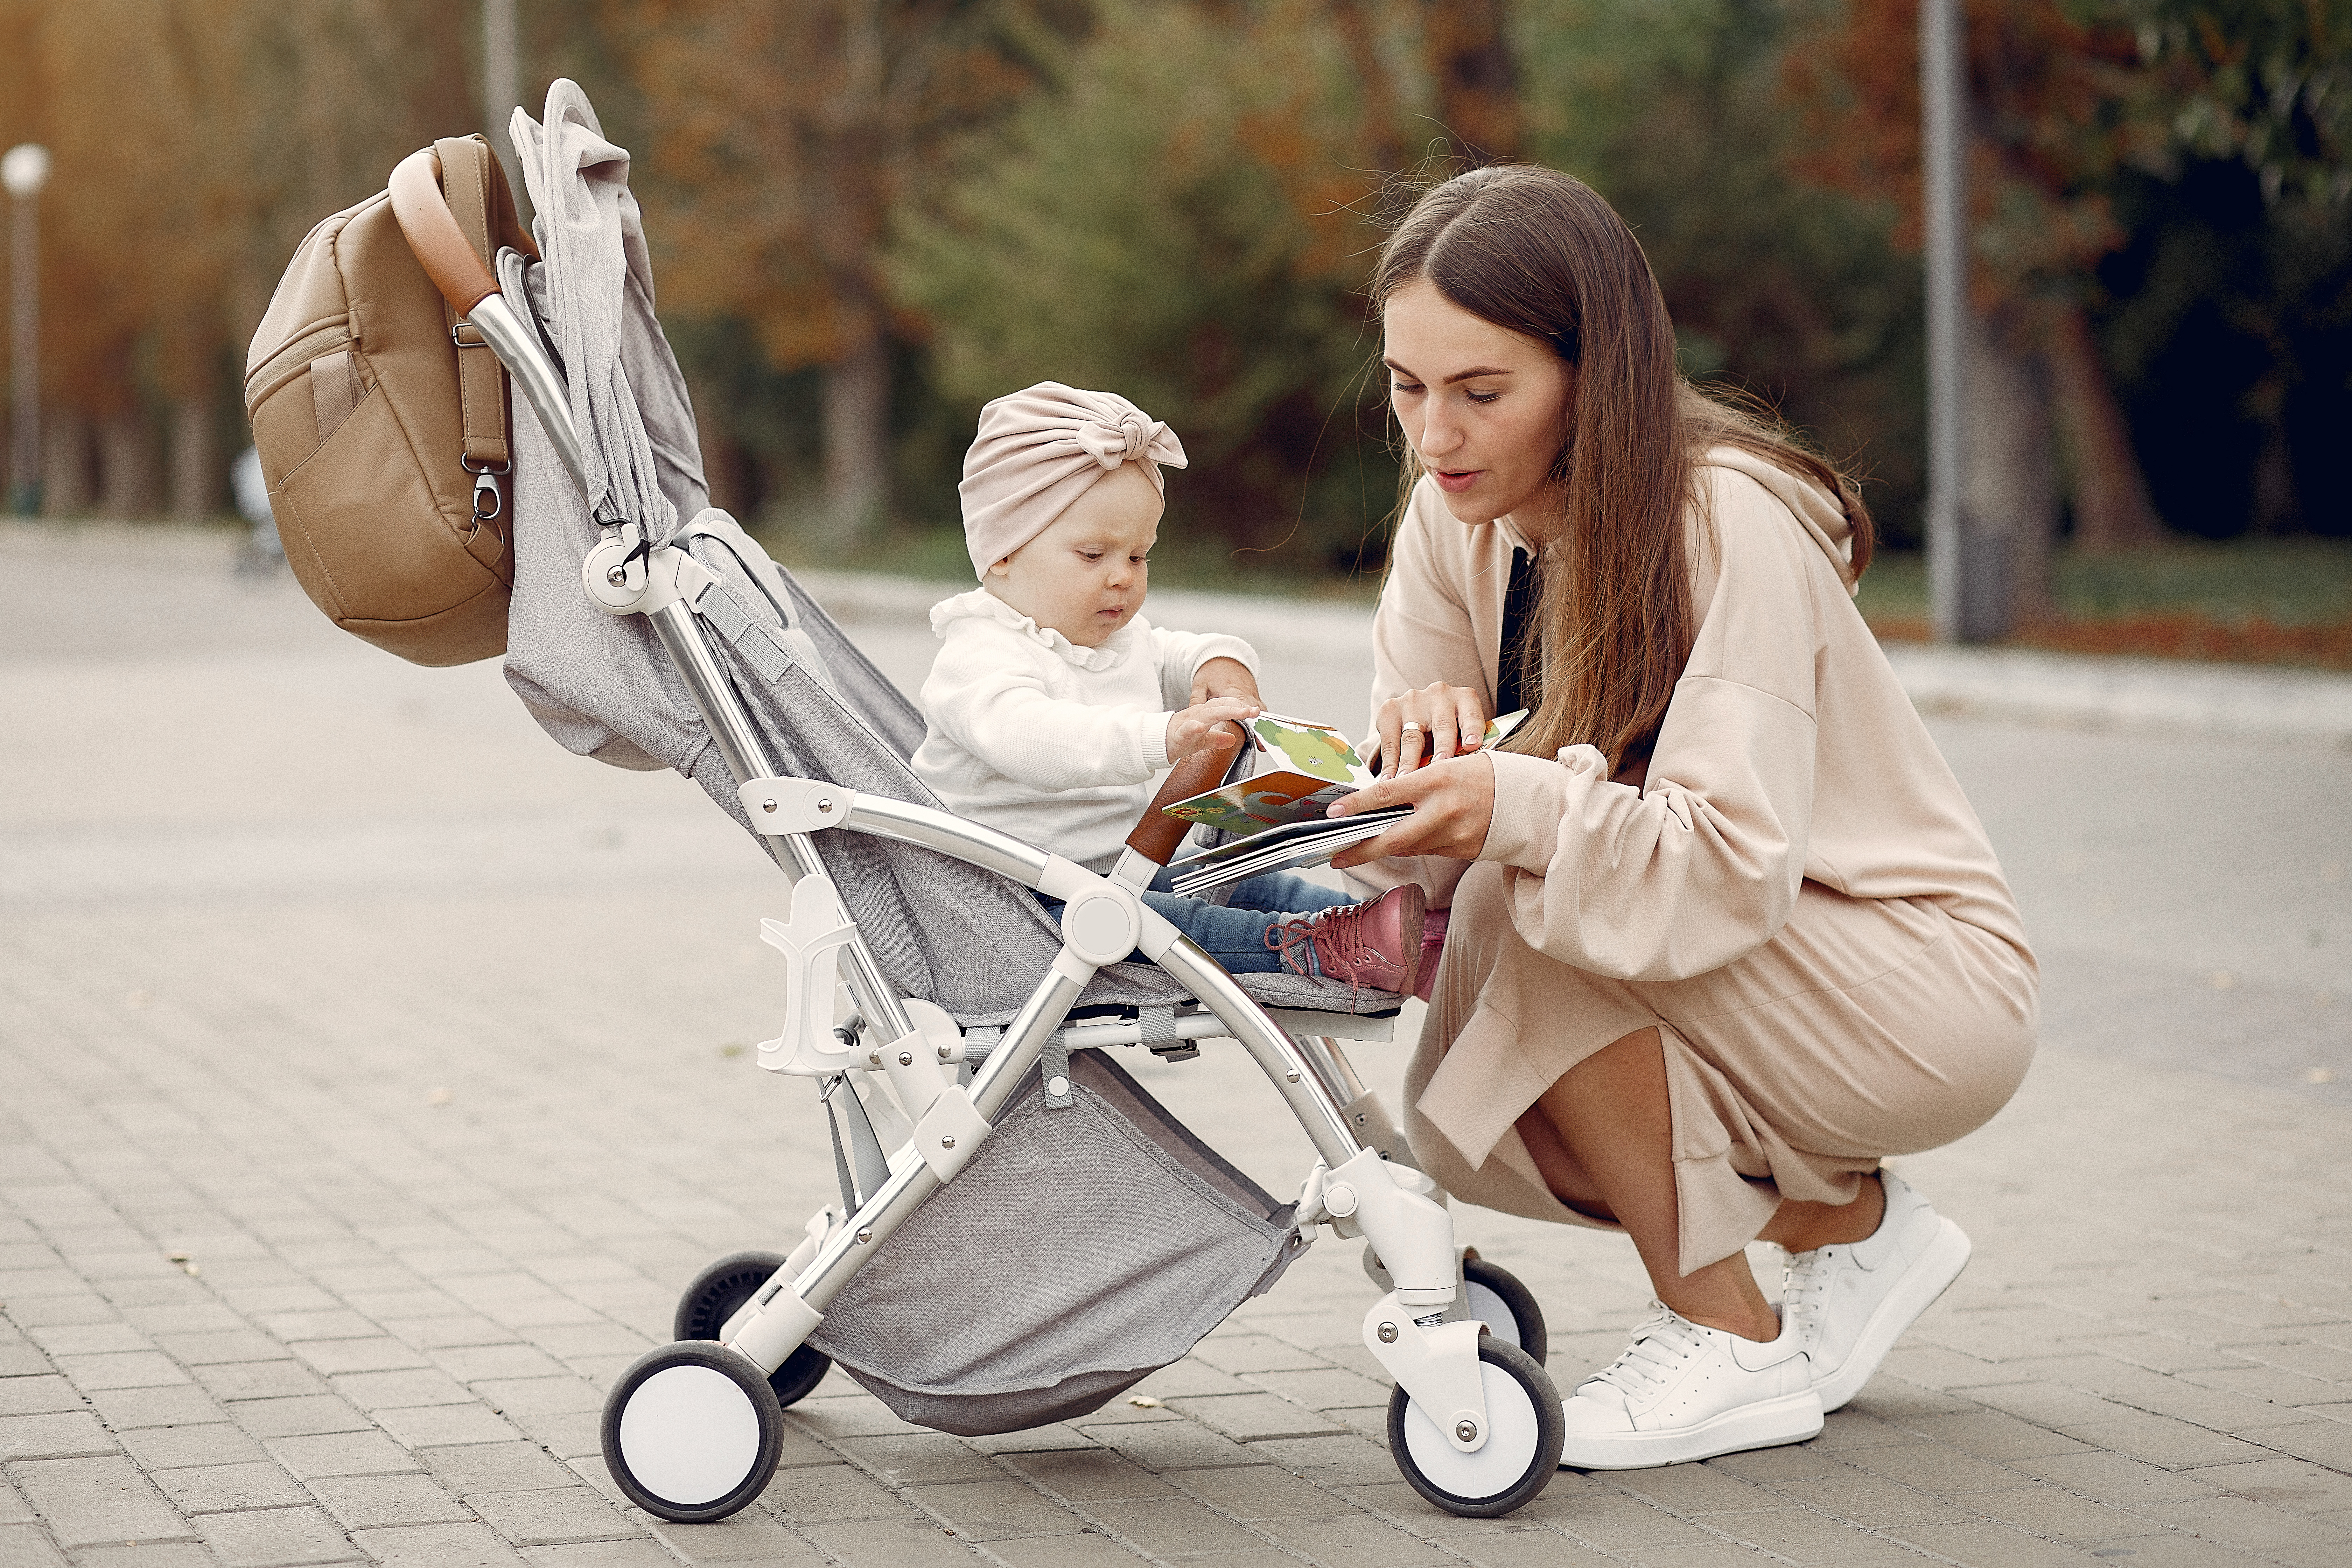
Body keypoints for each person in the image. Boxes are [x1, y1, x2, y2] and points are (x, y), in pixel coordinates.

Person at [1326, 168, 2037, 1470]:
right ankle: (1847, 1231)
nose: (1434, 436)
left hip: (1916, 979)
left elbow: (1724, 862)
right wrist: (1364, 798)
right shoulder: (1453, 516)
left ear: (1595, 375)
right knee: (1492, 1001)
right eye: (1407, 387)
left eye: (1483, 393)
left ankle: (1730, 1339)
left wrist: (1509, 802)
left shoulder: (1725, 522)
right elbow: (1437, 818)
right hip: (1751, 961)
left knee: (1528, 899)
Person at [914, 381, 1427, 993]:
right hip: (1019, 903)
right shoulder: (981, 653)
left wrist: (1219, 663)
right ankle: (1315, 947)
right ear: (1001, 552)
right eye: (1093, 554)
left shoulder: (1109, 637)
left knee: (1234, 876)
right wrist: (1161, 737)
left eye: (1139, 557)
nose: (1121, 580)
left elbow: (1174, 653)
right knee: (1175, 925)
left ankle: (1377, 929)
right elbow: (1032, 738)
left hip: (1119, 871)